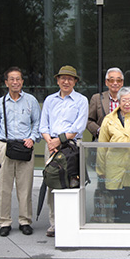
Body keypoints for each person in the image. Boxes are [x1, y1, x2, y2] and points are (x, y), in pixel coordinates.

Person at [0, 66, 41, 237]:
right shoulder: (0, 103)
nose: (15, 82)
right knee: (4, 187)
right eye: (12, 79)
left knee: (25, 187)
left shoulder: (31, 100)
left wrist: (32, 138)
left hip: (25, 148)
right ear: (6, 82)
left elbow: (38, 123)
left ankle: (25, 220)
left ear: (22, 81)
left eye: (18, 79)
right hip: (5, 147)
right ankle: (4, 221)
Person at [39, 65, 88, 237]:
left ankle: (73, 220)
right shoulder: (49, 100)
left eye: (70, 78)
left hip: (71, 146)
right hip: (51, 146)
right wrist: (50, 142)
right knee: (53, 182)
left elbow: (79, 126)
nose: (66, 81)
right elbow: (43, 125)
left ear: (75, 81)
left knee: (72, 182)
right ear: (57, 80)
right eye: (62, 78)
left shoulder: (81, 100)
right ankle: (54, 223)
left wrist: (58, 140)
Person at [96, 86, 130, 223]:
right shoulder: (109, 119)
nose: (127, 103)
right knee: (116, 202)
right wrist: (101, 169)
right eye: (124, 100)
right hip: (114, 167)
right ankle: (116, 231)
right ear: (119, 102)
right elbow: (101, 146)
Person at [87, 67, 124, 140]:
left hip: (123, 141)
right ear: (106, 82)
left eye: (118, 80)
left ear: (122, 83)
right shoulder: (97, 98)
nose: (115, 83)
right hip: (103, 141)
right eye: (111, 80)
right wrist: (99, 131)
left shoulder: (129, 99)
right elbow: (88, 121)